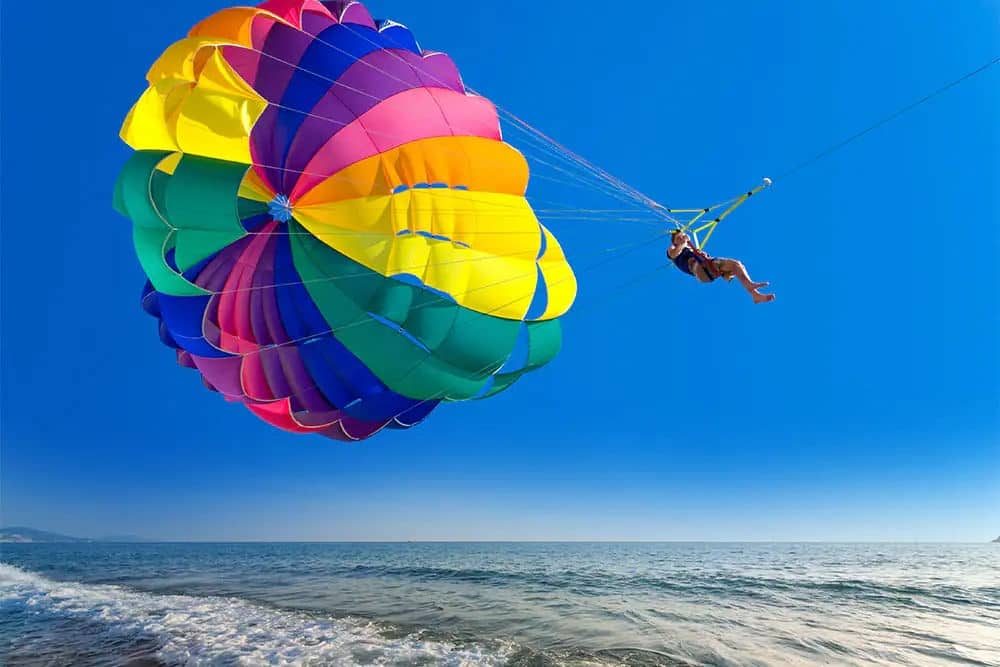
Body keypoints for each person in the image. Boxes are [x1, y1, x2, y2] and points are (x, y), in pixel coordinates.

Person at [667, 230, 775, 304]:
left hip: (709, 269)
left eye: (682, 235)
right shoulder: (673, 248)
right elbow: (673, 254)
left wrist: (700, 253)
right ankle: (752, 290)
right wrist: (682, 243)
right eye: (678, 237)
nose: (681, 237)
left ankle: (755, 294)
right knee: (703, 261)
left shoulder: (691, 249)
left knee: (736, 264)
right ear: (674, 241)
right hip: (699, 271)